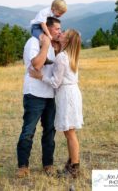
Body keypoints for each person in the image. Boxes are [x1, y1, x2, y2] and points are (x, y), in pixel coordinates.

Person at [29, 29, 83, 179]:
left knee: (69, 133)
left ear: (67, 40)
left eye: (65, 33)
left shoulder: (61, 57)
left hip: (66, 94)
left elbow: (55, 82)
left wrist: (40, 76)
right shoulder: (71, 55)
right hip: (73, 92)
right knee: (70, 132)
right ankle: (72, 163)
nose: (62, 33)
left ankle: (74, 167)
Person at [16, 17, 62, 178]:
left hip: (50, 94)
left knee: (49, 131)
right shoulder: (33, 42)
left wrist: (54, 47)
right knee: (29, 130)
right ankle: (23, 166)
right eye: (56, 29)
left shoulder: (53, 45)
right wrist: (46, 45)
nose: (59, 32)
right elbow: (37, 64)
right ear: (47, 29)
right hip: (34, 94)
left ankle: (48, 164)